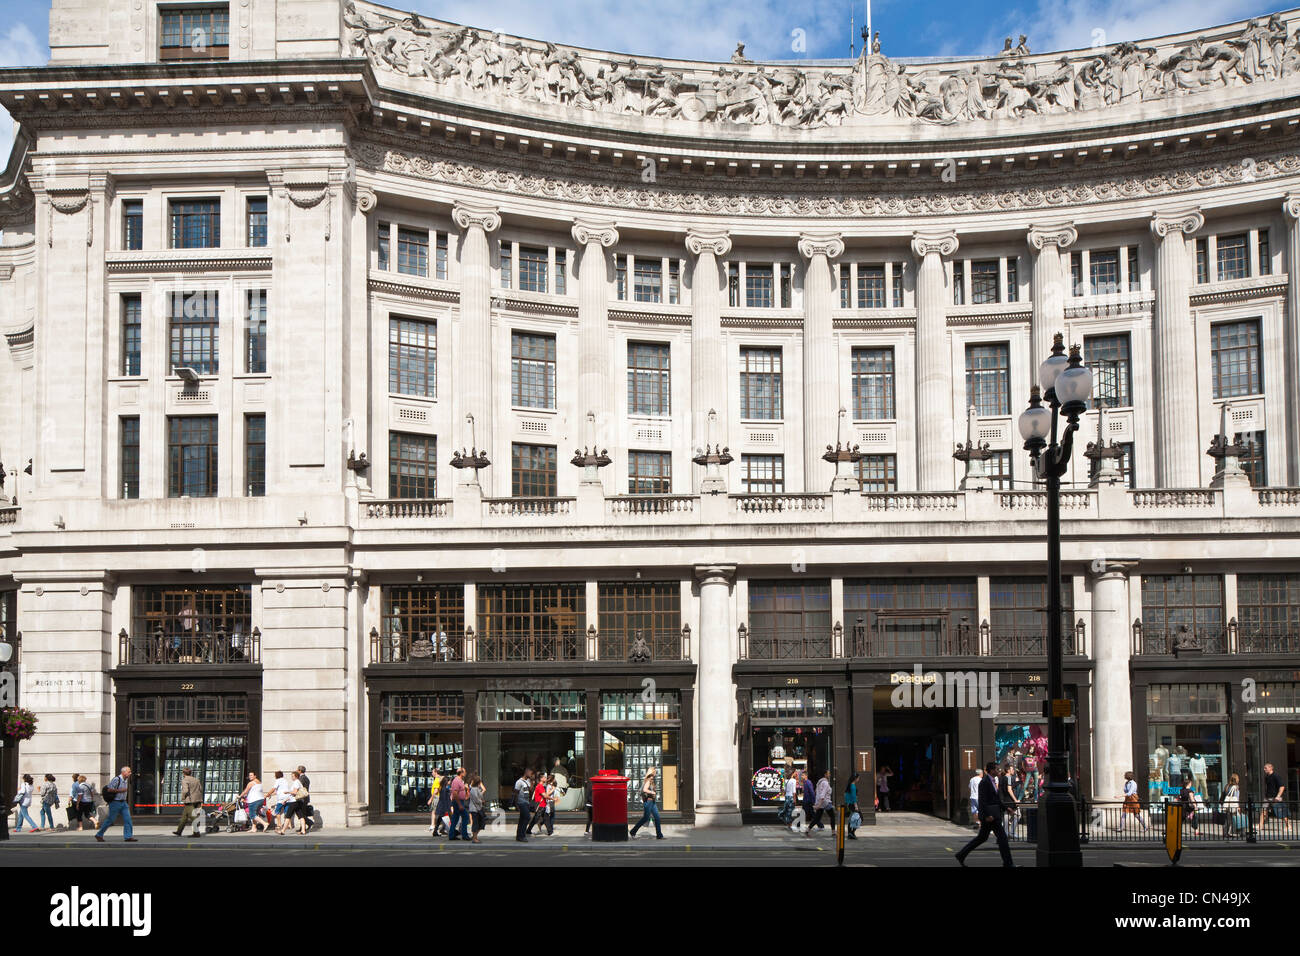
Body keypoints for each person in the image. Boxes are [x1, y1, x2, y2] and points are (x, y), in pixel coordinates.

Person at [955, 762, 1014, 867]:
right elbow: (982, 800)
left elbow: (996, 799)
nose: (998, 771)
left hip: (992, 815)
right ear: (991, 770)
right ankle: (1008, 863)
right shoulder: (984, 782)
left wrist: (1006, 808)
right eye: (997, 769)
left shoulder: (992, 781)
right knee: (1002, 839)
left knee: (982, 838)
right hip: (990, 816)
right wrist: (987, 815)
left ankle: (961, 854)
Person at [95, 766, 138, 842]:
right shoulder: (116, 779)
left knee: (128, 819)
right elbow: (109, 789)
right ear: (123, 772)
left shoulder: (126, 780)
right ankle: (99, 834)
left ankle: (128, 836)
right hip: (115, 802)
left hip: (123, 802)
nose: (130, 773)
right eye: (129, 772)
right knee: (110, 819)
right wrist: (120, 791)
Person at [629, 766, 663, 839]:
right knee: (645, 818)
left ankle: (659, 835)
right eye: (655, 772)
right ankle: (633, 831)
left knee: (657, 817)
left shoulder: (650, 780)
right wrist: (652, 792)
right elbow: (644, 789)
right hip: (648, 802)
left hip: (652, 802)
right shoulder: (648, 780)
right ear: (652, 772)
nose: (655, 773)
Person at [1260, 762, 1292, 833]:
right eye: (1264, 768)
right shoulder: (1266, 777)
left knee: (1281, 811)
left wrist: (1278, 796)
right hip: (1267, 797)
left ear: (1271, 768)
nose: (1264, 769)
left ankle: (1288, 826)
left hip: (1275, 797)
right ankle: (1260, 826)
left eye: (1266, 768)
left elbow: (1282, 786)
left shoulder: (1276, 776)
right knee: (1263, 810)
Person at [173, 767, 204, 837]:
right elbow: (201, 789)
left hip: (189, 800)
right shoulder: (196, 780)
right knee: (184, 817)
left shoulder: (185, 780)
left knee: (192, 816)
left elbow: (185, 791)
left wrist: (183, 797)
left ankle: (196, 830)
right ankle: (179, 831)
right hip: (197, 799)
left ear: (183, 773)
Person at [807, 769, 834, 835]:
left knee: (817, 817)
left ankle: (808, 829)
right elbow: (823, 794)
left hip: (821, 802)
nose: (829, 774)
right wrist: (819, 805)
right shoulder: (825, 783)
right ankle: (833, 832)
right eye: (828, 773)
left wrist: (818, 803)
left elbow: (816, 792)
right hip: (826, 802)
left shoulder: (819, 782)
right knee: (832, 816)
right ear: (825, 774)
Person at [448, 767, 470, 841]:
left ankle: (451, 835)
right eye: (464, 772)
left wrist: (466, 789)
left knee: (455, 818)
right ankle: (464, 835)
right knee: (466, 817)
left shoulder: (460, 780)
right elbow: (455, 793)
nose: (465, 773)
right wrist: (460, 804)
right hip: (458, 802)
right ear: (461, 773)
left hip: (460, 801)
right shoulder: (456, 781)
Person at [998, 767, 1020, 837]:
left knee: (1008, 816)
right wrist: (1015, 800)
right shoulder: (1009, 778)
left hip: (1004, 800)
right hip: (1009, 800)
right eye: (1012, 769)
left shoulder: (1002, 778)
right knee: (1016, 815)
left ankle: (1007, 833)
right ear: (1008, 770)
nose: (1013, 770)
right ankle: (1010, 833)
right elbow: (1009, 790)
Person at [1222, 772, 1243, 839]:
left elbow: (1224, 795)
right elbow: (1236, 797)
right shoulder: (1236, 787)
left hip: (1227, 805)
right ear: (1236, 779)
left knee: (1228, 820)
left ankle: (1225, 833)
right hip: (1233, 805)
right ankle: (1240, 832)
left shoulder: (1227, 786)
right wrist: (1238, 806)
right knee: (1238, 819)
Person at [514, 768, 533, 842]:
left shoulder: (528, 781)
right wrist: (516, 804)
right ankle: (522, 835)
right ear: (526, 772)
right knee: (527, 817)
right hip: (521, 802)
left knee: (522, 819)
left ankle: (519, 836)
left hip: (526, 802)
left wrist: (531, 781)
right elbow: (516, 793)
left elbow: (531, 790)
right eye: (530, 773)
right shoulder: (519, 782)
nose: (531, 774)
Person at [468, 774, 486, 843]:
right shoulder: (473, 789)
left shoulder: (477, 789)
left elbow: (480, 796)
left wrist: (482, 800)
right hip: (475, 809)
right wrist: (481, 801)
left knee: (481, 822)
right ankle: (474, 838)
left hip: (478, 808)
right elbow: (476, 799)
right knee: (476, 823)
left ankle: (474, 836)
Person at [844, 772, 860, 839]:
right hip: (852, 804)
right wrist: (856, 805)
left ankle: (851, 833)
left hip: (849, 804)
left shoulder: (849, 785)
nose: (859, 779)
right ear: (855, 778)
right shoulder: (853, 786)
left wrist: (847, 802)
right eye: (858, 778)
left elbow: (845, 795)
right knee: (859, 818)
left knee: (852, 819)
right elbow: (853, 796)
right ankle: (852, 832)